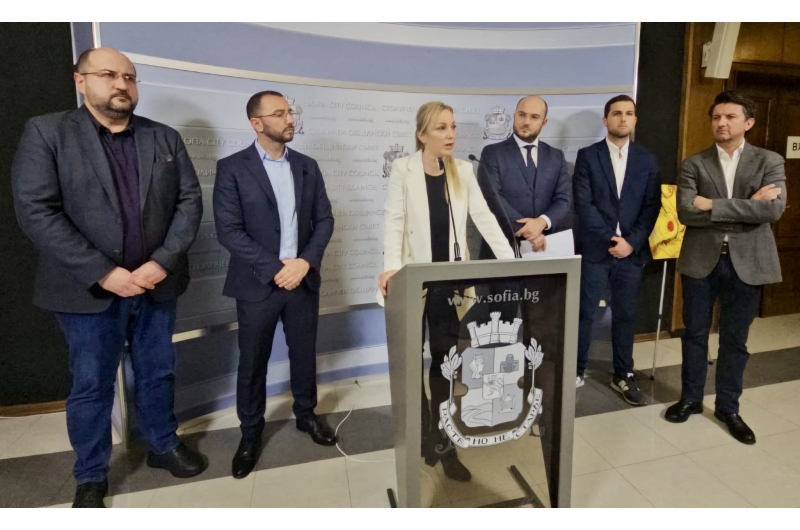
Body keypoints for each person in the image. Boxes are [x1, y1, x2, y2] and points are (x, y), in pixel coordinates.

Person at [10, 47, 205, 508]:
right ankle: (92, 475)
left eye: (130, 77)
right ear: (80, 81)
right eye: (108, 74)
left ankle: (162, 444)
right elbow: (36, 210)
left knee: (158, 372)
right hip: (87, 292)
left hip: (156, 286)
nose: (121, 84)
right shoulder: (47, 132)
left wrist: (162, 262)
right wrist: (103, 272)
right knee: (92, 385)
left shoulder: (164, 138)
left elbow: (189, 202)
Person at [379, 101, 515, 482]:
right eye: (441, 128)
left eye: (452, 126)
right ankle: (421, 436)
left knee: (444, 365)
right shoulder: (403, 169)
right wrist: (390, 267)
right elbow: (393, 221)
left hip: (451, 285)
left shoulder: (463, 170)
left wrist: (511, 262)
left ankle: (443, 442)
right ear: (422, 134)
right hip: (411, 282)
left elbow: (484, 218)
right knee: (411, 365)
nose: (451, 134)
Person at [213, 90, 335, 480]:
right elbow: (229, 230)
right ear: (257, 123)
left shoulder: (307, 166)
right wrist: (275, 268)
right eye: (279, 113)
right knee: (252, 362)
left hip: (302, 279)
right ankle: (250, 433)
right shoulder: (232, 168)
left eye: (290, 112)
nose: (290, 119)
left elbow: (325, 220)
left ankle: (306, 415)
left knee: (304, 353)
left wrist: (304, 263)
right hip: (256, 283)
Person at [665, 90, 786, 444]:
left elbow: (773, 210)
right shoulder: (693, 164)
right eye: (717, 117)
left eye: (730, 117)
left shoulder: (769, 161)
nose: (721, 123)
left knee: (735, 339)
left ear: (748, 122)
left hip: (748, 263)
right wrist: (748, 204)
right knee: (694, 334)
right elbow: (687, 212)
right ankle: (690, 398)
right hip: (700, 261)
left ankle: (728, 407)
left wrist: (713, 206)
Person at [573, 95, 661, 400]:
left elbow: (652, 206)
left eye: (629, 113)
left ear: (635, 120)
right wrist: (612, 239)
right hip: (596, 251)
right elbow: (584, 204)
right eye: (616, 113)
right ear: (605, 119)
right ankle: (575, 370)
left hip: (631, 254)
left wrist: (631, 243)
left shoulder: (647, 159)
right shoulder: (588, 156)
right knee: (584, 312)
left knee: (625, 315)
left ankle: (623, 374)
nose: (623, 118)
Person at [476, 95, 572, 255]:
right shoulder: (492, 153)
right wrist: (528, 231)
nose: (526, 121)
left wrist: (542, 222)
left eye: (534, 117)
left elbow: (564, 199)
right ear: (514, 116)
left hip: (544, 248)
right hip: (502, 247)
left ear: (544, 122)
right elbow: (492, 198)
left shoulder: (556, 156)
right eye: (522, 115)